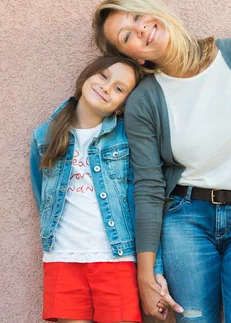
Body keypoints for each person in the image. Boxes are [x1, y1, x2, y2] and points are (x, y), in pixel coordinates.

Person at [92, 0, 231, 323]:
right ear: (129, 56)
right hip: (185, 224)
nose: (140, 29)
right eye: (126, 36)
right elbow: (149, 188)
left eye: (137, 16)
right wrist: (146, 276)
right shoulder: (145, 102)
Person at [30, 55, 151, 323]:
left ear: (122, 105)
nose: (107, 87)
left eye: (119, 88)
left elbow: (138, 202)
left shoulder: (127, 138)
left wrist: (154, 269)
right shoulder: (44, 136)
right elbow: (43, 197)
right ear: (87, 76)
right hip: (62, 258)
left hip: (116, 259)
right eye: (104, 76)